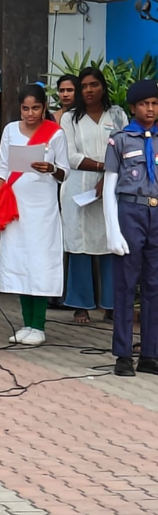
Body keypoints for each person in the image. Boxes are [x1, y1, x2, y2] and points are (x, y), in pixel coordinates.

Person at [0, 84, 69, 346]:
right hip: (15, 207)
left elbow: (65, 172)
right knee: (20, 260)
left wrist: (51, 168)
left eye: (35, 108)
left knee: (40, 262)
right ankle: (26, 324)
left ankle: (39, 325)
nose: (30, 113)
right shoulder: (10, 130)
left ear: (44, 108)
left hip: (43, 208)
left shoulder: (55, 134)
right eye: (25, 108)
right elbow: (2, 169)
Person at [60, 68, 127, 324]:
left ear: (103, 87)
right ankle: (80, 305)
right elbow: (71, 156)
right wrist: (103, 167)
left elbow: (125, 148)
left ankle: (112, 304)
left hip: (112, 186)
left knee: (111, 241)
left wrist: (108, 174)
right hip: (79, 188)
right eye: (84, 86)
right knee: (80, 244)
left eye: (94, 85)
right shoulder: (70, 119)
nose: (89, 90)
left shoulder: (117, 114)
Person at [102, 79, 158, 377]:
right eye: (144, 104)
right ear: (133, 107)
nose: (150, 109)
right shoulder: (120, 140)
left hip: (156, 213)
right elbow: (109, 187)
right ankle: (123, 354)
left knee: (153, 285)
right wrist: (112, 229)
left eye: (155, 104)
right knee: (125, 284)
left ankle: (150, 353)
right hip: (130, 211)